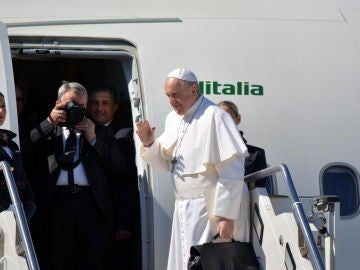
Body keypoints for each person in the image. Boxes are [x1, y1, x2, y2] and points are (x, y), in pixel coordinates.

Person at [136, 68, 250, 270]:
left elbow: (232, 170)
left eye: (176, 95)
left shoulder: (216, 116)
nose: (172, 101)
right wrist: (148, 143)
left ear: (194, 90)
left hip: (211, 210)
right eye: (168, 96)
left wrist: (226, 216)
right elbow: (164, 163)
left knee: (208, 264)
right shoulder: (173, 119)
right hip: (183, 207)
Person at [28, 82, 127, 270]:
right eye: (71, 104)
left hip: (90, 205)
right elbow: (25, 153)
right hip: (56, 204)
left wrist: (94, 139)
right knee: (58, 259)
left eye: (81, 106)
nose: (76, 110)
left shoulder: (100, 131)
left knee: (93, 260)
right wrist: (49, 122)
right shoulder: (47, 130)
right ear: (58, 103)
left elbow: (120, 167)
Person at [87, 85, 140, 269]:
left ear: (115, 108)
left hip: (115, 221)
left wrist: (125, 223)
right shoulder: (79, 130)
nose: (99, 108)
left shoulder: (124, 134)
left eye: (105, 103)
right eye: (94, 103)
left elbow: (129, 182)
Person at [218, 100, 272, 192]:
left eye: (227, 117)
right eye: (219, 118)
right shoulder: (205, 151)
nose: (223, 122)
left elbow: (259, 191)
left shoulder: (256, 154)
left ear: (238, 119)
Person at [0, 91, 36, 220]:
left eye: (3, 106)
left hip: (18, 215)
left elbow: (22, 178)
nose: (1, 111)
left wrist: (29, 203)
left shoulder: (11, 145)